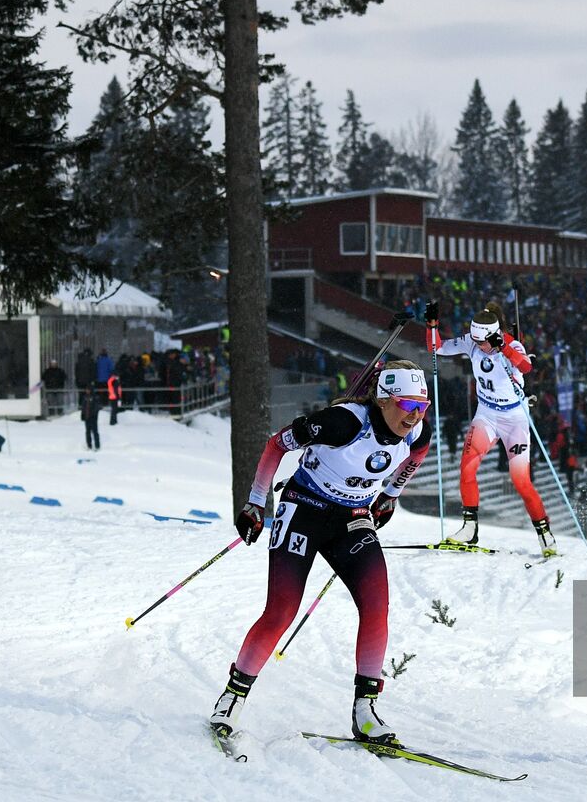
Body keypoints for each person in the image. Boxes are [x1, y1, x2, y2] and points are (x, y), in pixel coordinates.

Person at [208, 360, 433, 744]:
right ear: (383, 400)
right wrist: (255, 503)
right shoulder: (341, 423)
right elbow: (276, 445)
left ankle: (365, 710)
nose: (414, 417)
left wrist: (390, 495)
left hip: (352, 518)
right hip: (304, 511)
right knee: (281, 611)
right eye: (407, 406)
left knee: (377, 605)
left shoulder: (416, 432)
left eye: (421, 407)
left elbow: (416, 455)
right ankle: (233, 696)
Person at [424, 300, 556, 556]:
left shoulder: (510, 343)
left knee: (520, 481)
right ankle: (469, 529)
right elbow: (435, 348)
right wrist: (431, 325)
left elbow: (526, 367)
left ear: (494, 335)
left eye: (484, 342)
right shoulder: (472, 342)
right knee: (467, 469)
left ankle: (544, 534)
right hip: (486, 414)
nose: (480, 347)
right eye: (476, 342)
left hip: (514, 418)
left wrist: (504, 347)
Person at [81, 383, 101, 451]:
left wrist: (93, 414)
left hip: (93, 418)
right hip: (87, 417)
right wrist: (82, 414)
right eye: (86, 389)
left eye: (88, 389)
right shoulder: (85, 397)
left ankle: (97, 446)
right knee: (87, 432)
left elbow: (97, 407)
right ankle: (89, 445)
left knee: (95, 432)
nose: (87, 391)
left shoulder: (95, 397)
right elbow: (83, 407)